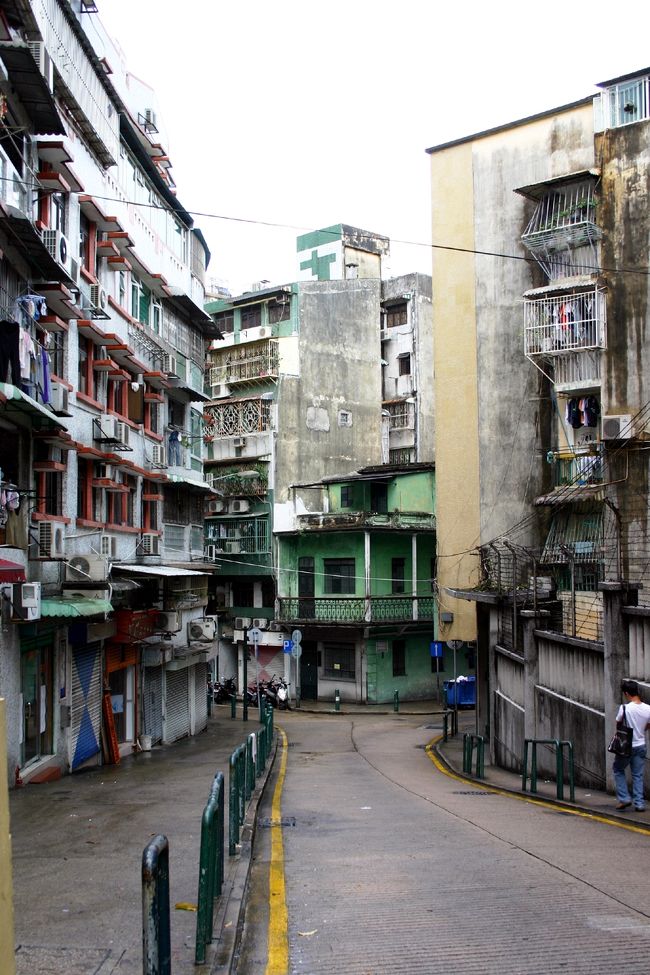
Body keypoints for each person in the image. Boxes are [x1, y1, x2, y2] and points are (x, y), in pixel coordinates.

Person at [612, 679, 650, 811]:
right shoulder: (648, 709)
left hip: (626, 746)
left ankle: (624, 798)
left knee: (618, 769)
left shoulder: (625, 708)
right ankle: (639, 804)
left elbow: (618, 724)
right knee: (637, 775)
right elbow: (648, 726)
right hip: (641, 745)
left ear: (627, 693)